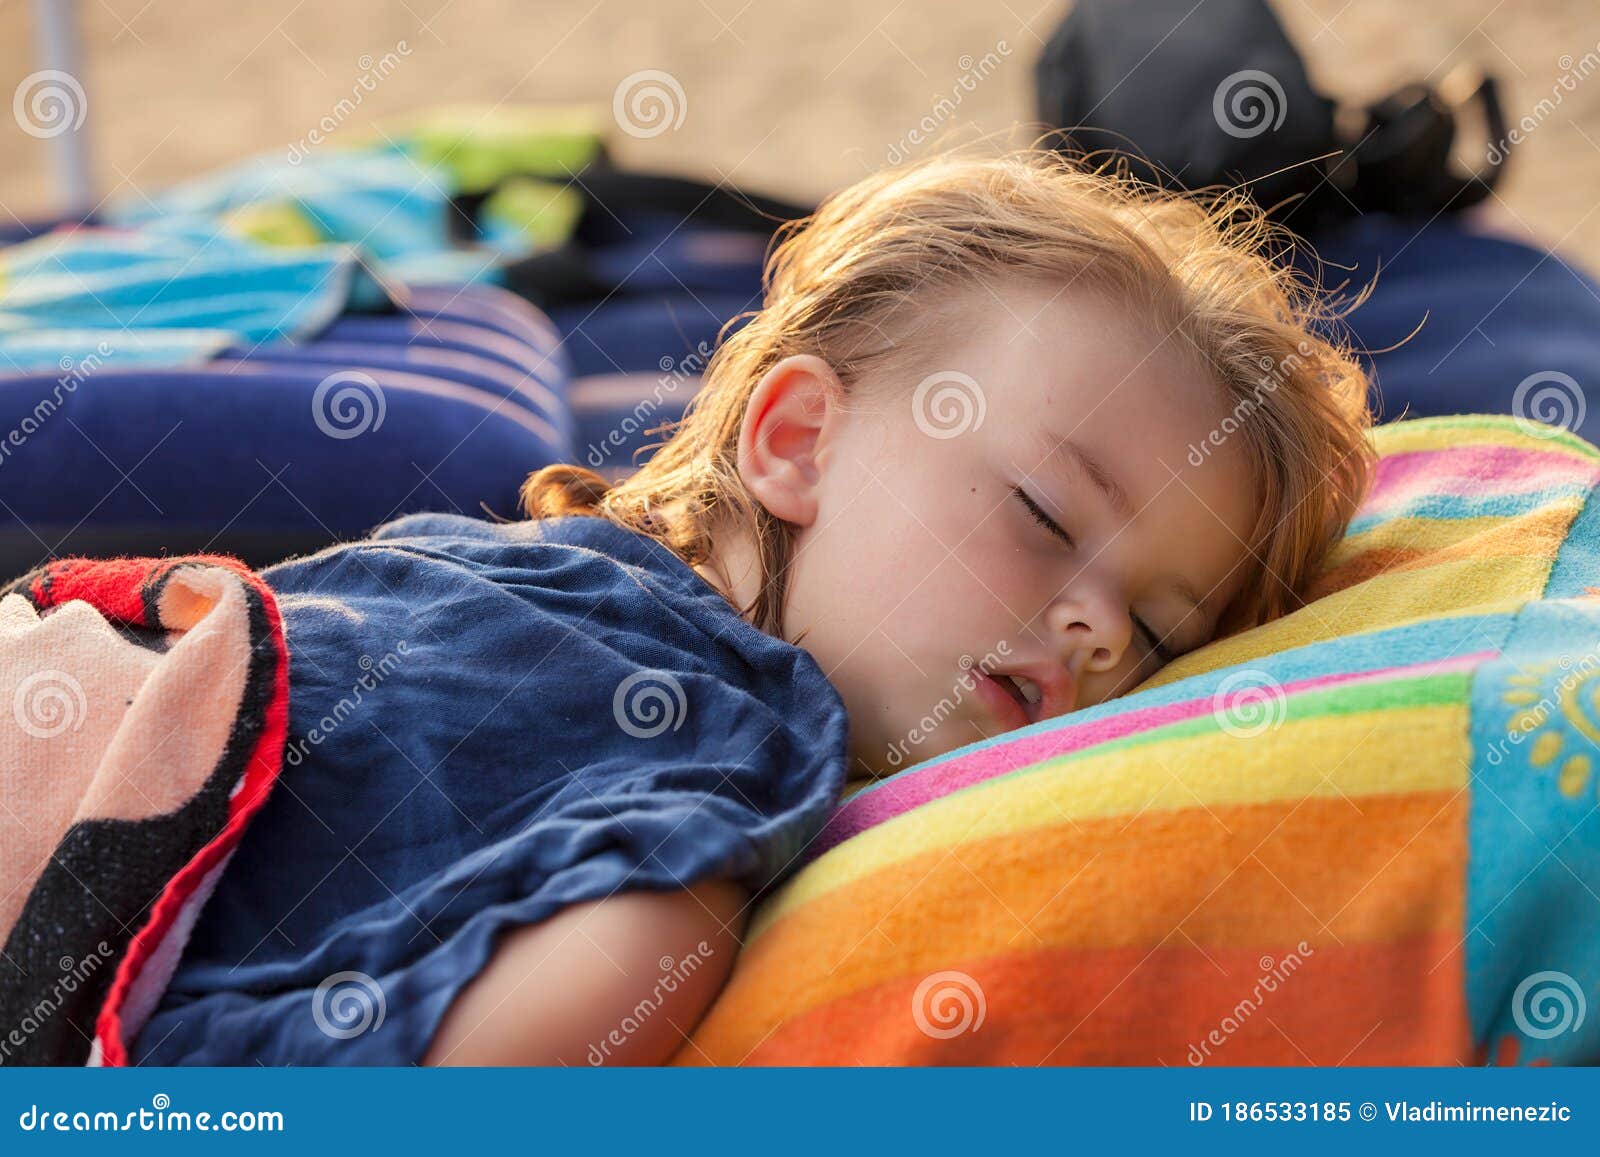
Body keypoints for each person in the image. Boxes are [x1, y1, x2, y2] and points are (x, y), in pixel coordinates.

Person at [136, 149, 1373, 1066]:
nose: (1100, 632)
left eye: (1160, 634)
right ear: (796, 440)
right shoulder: (717, 756)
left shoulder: (509, 561)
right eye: (1045, 516)